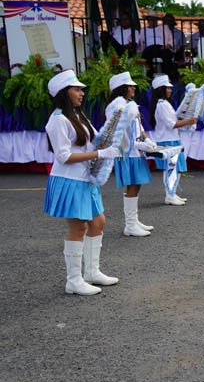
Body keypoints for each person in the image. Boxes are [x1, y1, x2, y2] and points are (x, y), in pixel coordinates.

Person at [44, 70, 120, 295]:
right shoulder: (58, 120)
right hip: (69, 180)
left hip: (85, 179)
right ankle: (73, 281)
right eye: (76, 89)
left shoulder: (78, 115)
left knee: (98, 222)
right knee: (78, 228)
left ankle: (92, 272)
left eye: (81, 89)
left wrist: (133, 144)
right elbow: (63, 156)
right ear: (64, 93)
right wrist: (100, 154)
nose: (82, 93)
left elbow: (98, 140)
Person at [106, 72, 155, 236]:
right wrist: (135, 144)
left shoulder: (130, 104)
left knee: (137, 184)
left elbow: (139, 126)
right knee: (132, 185)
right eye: (130, 85)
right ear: (122, 88)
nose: (134, 87)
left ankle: (134, 220)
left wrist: (146, 139)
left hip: (136, 151)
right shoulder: (115, 107)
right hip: (127, 152)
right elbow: (116, 133)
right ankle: (130, 225)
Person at [148, 75, 198, 204]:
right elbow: (171, 124)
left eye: (170, 88)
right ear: (161, 89)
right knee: (171, 169)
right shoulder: (162, 105)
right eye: (167, 88)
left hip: (172, 139)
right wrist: (190, 121)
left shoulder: (164, 104)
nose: (170, 90)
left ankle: (172, 194)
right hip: (167, 141)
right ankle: (169, 196)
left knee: (176, 169)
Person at [139, 11, 175, 76]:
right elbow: (140, 42)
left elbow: (171, 39)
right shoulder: (143, 30)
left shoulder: (164, 28)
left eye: (154, 19)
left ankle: (168, 75)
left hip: (162, 47)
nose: (152, 21)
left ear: (156, 20)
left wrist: (168, 45)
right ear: (147, 20)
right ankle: (150, 75)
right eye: (150, 19)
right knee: (148, 55)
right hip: (149, 49)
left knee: (166, 56)